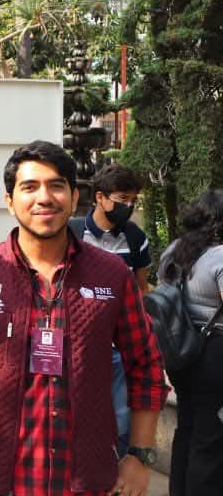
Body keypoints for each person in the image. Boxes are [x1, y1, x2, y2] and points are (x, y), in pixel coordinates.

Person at [0, 141, 168, 496]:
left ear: (74, 197)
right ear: (10, 201)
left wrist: (141, 456)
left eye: (56, 185)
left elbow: (146, 367)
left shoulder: (111, 275)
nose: (44, 197)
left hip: (91, 488)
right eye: (29, 187)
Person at [68, 163, 152, 458]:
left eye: (132, 201)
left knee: (120, 417)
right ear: (100, 197)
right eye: (121, 200)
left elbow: (141, 289)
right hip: (75, 343)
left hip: (119, 346)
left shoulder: (135, 238)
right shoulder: (72, 233)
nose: (127, 207)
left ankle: (115, 470)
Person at [157, 190, 223, 496]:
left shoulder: (174, 251)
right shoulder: (220, 257)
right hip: (214, 355)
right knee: (209, 442)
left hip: (180, 352)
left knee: (187, 430)